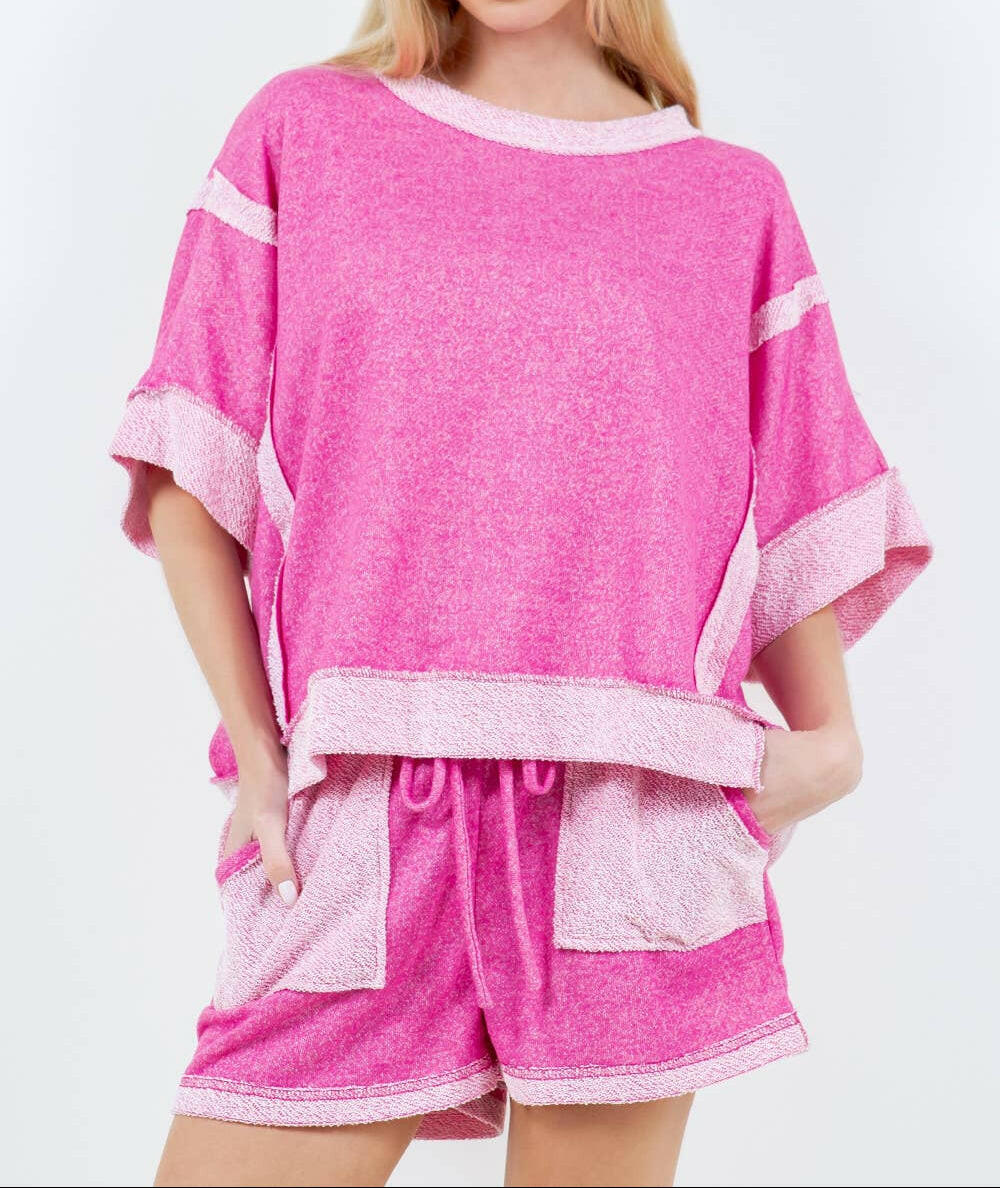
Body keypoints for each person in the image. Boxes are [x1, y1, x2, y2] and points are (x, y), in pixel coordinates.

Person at [109, 2, 932, 1184]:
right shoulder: (306, 130)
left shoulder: (727, 197)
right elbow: (194, 460)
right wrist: (257, 747)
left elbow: (785, 493)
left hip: (626, 812)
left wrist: (830, 747)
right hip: (365, 803)